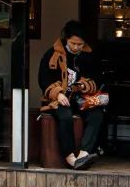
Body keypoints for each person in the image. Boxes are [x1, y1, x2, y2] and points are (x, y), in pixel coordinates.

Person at [39, 20, 109, 170]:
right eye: (73, 43)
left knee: (96, 114)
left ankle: (83, 154)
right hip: (58, 99)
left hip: (80, 98)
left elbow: (97, 77)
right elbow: (44, 79)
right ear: (66, 39)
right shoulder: (52, 54)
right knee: (65, 117)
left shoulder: (89, 56)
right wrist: (57, 94)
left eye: (80, 44)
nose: (76, 47)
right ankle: (70, 158)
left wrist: (85, 85)